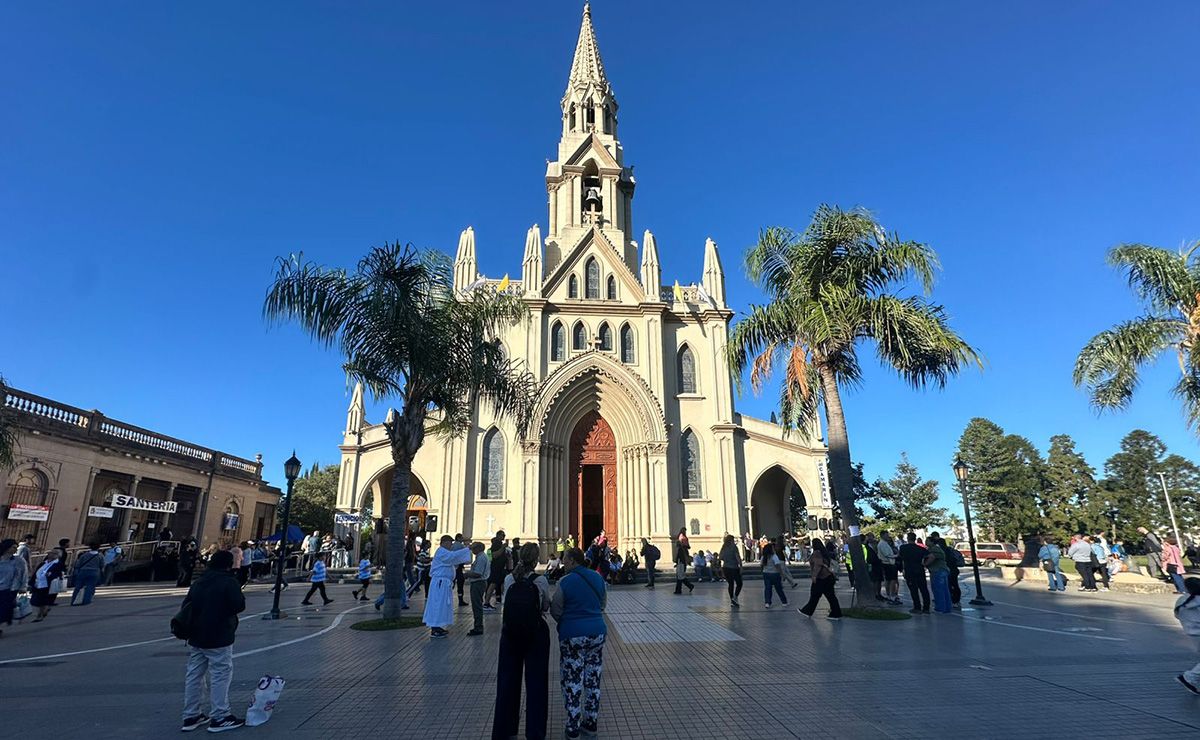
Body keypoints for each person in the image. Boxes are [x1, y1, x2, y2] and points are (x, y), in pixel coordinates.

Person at [178, 549, 247, 733]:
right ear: (227, 564)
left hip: (196, 635)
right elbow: (238, 605)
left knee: (194, 674)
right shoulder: (228, 581)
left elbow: (187, 605)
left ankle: (191, 714)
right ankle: (220, 716)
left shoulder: (200, 581)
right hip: (219, 634)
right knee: (220, 674)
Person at [493, 542, 551, 740]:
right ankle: (535, 733)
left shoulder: (509, 579)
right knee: (536, 684)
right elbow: (545, 607)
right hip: (535, 635)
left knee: (507, 682)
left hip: (510, 635)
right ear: (536, 560)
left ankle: (504, 730)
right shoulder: (541, 581)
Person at [550, 547, 607, 740]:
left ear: (573, 561)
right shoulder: (598, 578)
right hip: (597, 633)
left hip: (572, 635)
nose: (563, 562)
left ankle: (573, 726)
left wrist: (568, 622)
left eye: (565, 559)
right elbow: (602, 605)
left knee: (572, 680)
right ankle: (590, 722)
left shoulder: (565, 582)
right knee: (593, 678)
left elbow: (556, 609)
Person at [422, 534, 473, 639]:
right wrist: (467, 549)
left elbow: (453, 558)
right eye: (450, 542)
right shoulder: (441, 552)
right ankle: (435, 628)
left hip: (444, 584)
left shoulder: (445, 552)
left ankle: (438, 625)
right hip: (440, 583)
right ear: (445, 542)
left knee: (442, 605)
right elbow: (453, 557)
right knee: (437, 604)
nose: (451, 545)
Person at [798, 539, 842, 620]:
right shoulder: (824, 553)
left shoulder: (816, 553)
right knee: (831, 596)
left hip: (821, 578)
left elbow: (818, 565)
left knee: (814, 595)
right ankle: (836, 613)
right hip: (828, 577)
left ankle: (807, 611)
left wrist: (814, 576)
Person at [1174, 576, 1200, 695]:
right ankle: (1189, 677)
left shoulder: (1182, 600)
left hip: (1192, 634)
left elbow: (1177, 615)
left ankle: (1189, 677)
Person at [0, 539, 29, 638]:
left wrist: (23, 587)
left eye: (16, 547)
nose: (15, 549)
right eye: (13, 547)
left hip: (9, 589)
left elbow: (24, 574)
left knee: (3, 609)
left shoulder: (18, 560)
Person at [898, 532, 930, 613]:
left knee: (913, 590)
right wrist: (925, 564)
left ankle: (917, 607)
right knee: (924, 589)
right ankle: (926, 608)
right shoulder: (921, 549)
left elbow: (901, 559)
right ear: (915, 538)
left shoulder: (903, 548)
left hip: (909, 570)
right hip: (920, 569)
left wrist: (903, 569)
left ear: (908, 538)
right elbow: (930, 555)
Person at [29, 548, 64, 622]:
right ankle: (44, 610)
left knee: (43, 600)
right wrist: (31, 582)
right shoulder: (43, 563)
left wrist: (51, 574)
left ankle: (40, 615)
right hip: (38, 583)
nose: (51, 555)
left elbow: (59, 573)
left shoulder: (58, 563)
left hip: (48, 585)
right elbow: (36, 572)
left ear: (58, 556)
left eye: (54, 553)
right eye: (51, 553)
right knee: (36, 601)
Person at [466, 541, 490, 636]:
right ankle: (478, 625)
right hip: (479, 583)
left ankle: (478, 626)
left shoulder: (481, 558)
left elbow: (478, 573)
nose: (472, 550)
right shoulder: (481, 557)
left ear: (479, 548)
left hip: (478, 583)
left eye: (474, 548)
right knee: (477, 605)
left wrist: (467, 574)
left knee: (477, 605)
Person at [923, 533, 952, 614]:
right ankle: (947, 607)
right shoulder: (938, 548)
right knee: (945, 590)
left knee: (938, 589)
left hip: (937, 570)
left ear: (932, 542)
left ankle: (940, 608)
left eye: (927, 541)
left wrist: (924, 564)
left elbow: (932, 558)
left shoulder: (933, 549)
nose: (926, 542)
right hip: (943, 570)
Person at [70, 541, 104, 606]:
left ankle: (74, 600)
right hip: (94, 572)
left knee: (78, 586)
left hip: (83, 571)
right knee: (90, 586)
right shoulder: (100, 556)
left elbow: (78, 564)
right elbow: (102, 565)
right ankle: (86, 601)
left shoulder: (84, 555)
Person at [719, 534, 743, 607]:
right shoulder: (734, 547)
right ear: (731, 540)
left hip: (726, 567)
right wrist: (741, 565)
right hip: (734, 567)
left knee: (731, 584)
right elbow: (737, 557)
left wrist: (727, 559)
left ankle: (732, 599)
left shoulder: (723, 547)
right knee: (739, 583)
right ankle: (735, 597)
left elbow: (720, 557)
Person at [877, 530, 901, 605]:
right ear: (883, 535)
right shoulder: (882, 544)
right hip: (888, 563)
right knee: (891, 580)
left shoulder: (885, 543)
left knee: (891, 580)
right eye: (886, 535)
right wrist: (896, 556)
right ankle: (891, 595)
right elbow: (887, 554)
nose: (888, 536)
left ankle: (891, 595)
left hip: (889, 563)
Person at [761, 543, 788, 609]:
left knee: (767, 588)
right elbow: (778, 566)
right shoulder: (774, 556)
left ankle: (767, 602)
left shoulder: (763, 557)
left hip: (766, 573)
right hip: (775, 574)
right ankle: (784, 601)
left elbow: (761, 565)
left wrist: (763, 571)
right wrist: (782, 574)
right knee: (778, 588)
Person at [673, 527, 694, 595]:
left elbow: (679, 557)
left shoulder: (681, 549)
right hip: (681, 563)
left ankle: (681, 589)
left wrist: (677, 562)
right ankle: (681, 588)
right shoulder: (683, 548)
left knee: (680, 576)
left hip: (681, 563)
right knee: (680, 576)